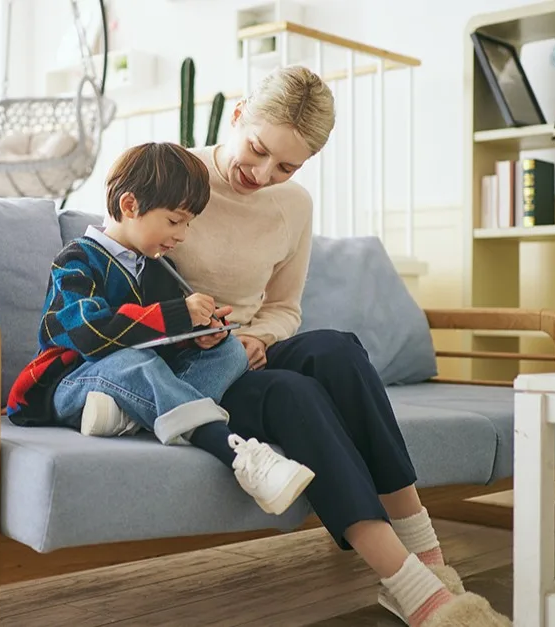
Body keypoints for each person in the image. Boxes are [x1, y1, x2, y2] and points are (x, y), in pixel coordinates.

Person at [166, 66, 513, 627]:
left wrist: (260, 336)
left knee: (338, 350)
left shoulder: (293, 206)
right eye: (256, 151)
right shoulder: (170, 173)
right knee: (296, 393)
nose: (262, 173)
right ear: (236, 115)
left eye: (285, 166)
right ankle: (415, 587)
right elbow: (117, 275)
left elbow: (284, 308)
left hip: (248, 352)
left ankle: (425, 553)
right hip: (184, 369)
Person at [5, 141, 315, 516]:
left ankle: (126, 416)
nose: (182, 234)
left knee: (230, 352)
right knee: (132, 364)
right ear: (130, 206)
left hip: (129, 380)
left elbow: (164, 346)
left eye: (188, 223)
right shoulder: (75, 260)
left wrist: (200, 339)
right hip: (68, 385)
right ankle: (237, 452)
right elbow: (88, 332)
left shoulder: (157, 268)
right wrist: (174, 315)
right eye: (174, 220)